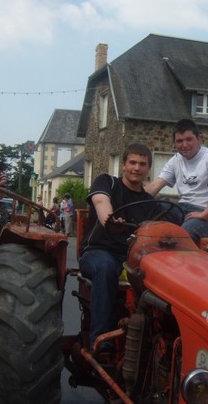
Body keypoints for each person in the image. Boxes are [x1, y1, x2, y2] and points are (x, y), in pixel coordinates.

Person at [79, 142, 156, 350]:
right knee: (105, 268)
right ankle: (101, 340)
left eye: (142, 164)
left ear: (148, 169)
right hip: (98, 252)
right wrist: (109, 221)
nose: (136, 168)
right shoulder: (108, 183)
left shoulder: (150, 203)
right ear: (123, 165)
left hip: (132, 259)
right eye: (132, 162)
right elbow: (101, 201)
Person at [145, 119, 208, 243]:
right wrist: (132, 199)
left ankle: (175, 262)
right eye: (179, 141)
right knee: (151, 212)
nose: (184, 145)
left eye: (189, 139)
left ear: (199, 138)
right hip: (182, 210)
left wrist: (205, 213)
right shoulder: (176, 160)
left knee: (183, 235)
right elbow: (156, 185)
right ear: (174, 143)